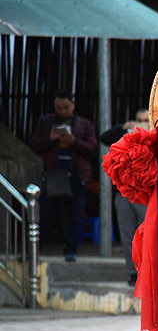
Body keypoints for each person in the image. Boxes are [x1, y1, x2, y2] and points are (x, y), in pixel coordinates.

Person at [29, 89, 98, 262]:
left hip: (77, 173)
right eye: (58, 108)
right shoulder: (46, 122)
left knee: (75, 214)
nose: (62, 111)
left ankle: (71, 250)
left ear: (73, 104)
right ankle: (36, 251)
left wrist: (74, 141)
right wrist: (51, 138)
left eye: (65, 107)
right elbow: (35, 145)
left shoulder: (84, 124)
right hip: (53, 173)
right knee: (44, 213)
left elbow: (93, 148)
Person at [100, 109, 150, 285]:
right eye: (139, 120)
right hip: (125, 195)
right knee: (127, 236)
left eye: (146, 120)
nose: (142, 122)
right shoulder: (126, 137)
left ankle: (147, 273)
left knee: (147, 237)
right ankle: (133, 274)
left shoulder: (154, 137)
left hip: (146, 196)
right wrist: (126, 127)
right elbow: (104, 138)